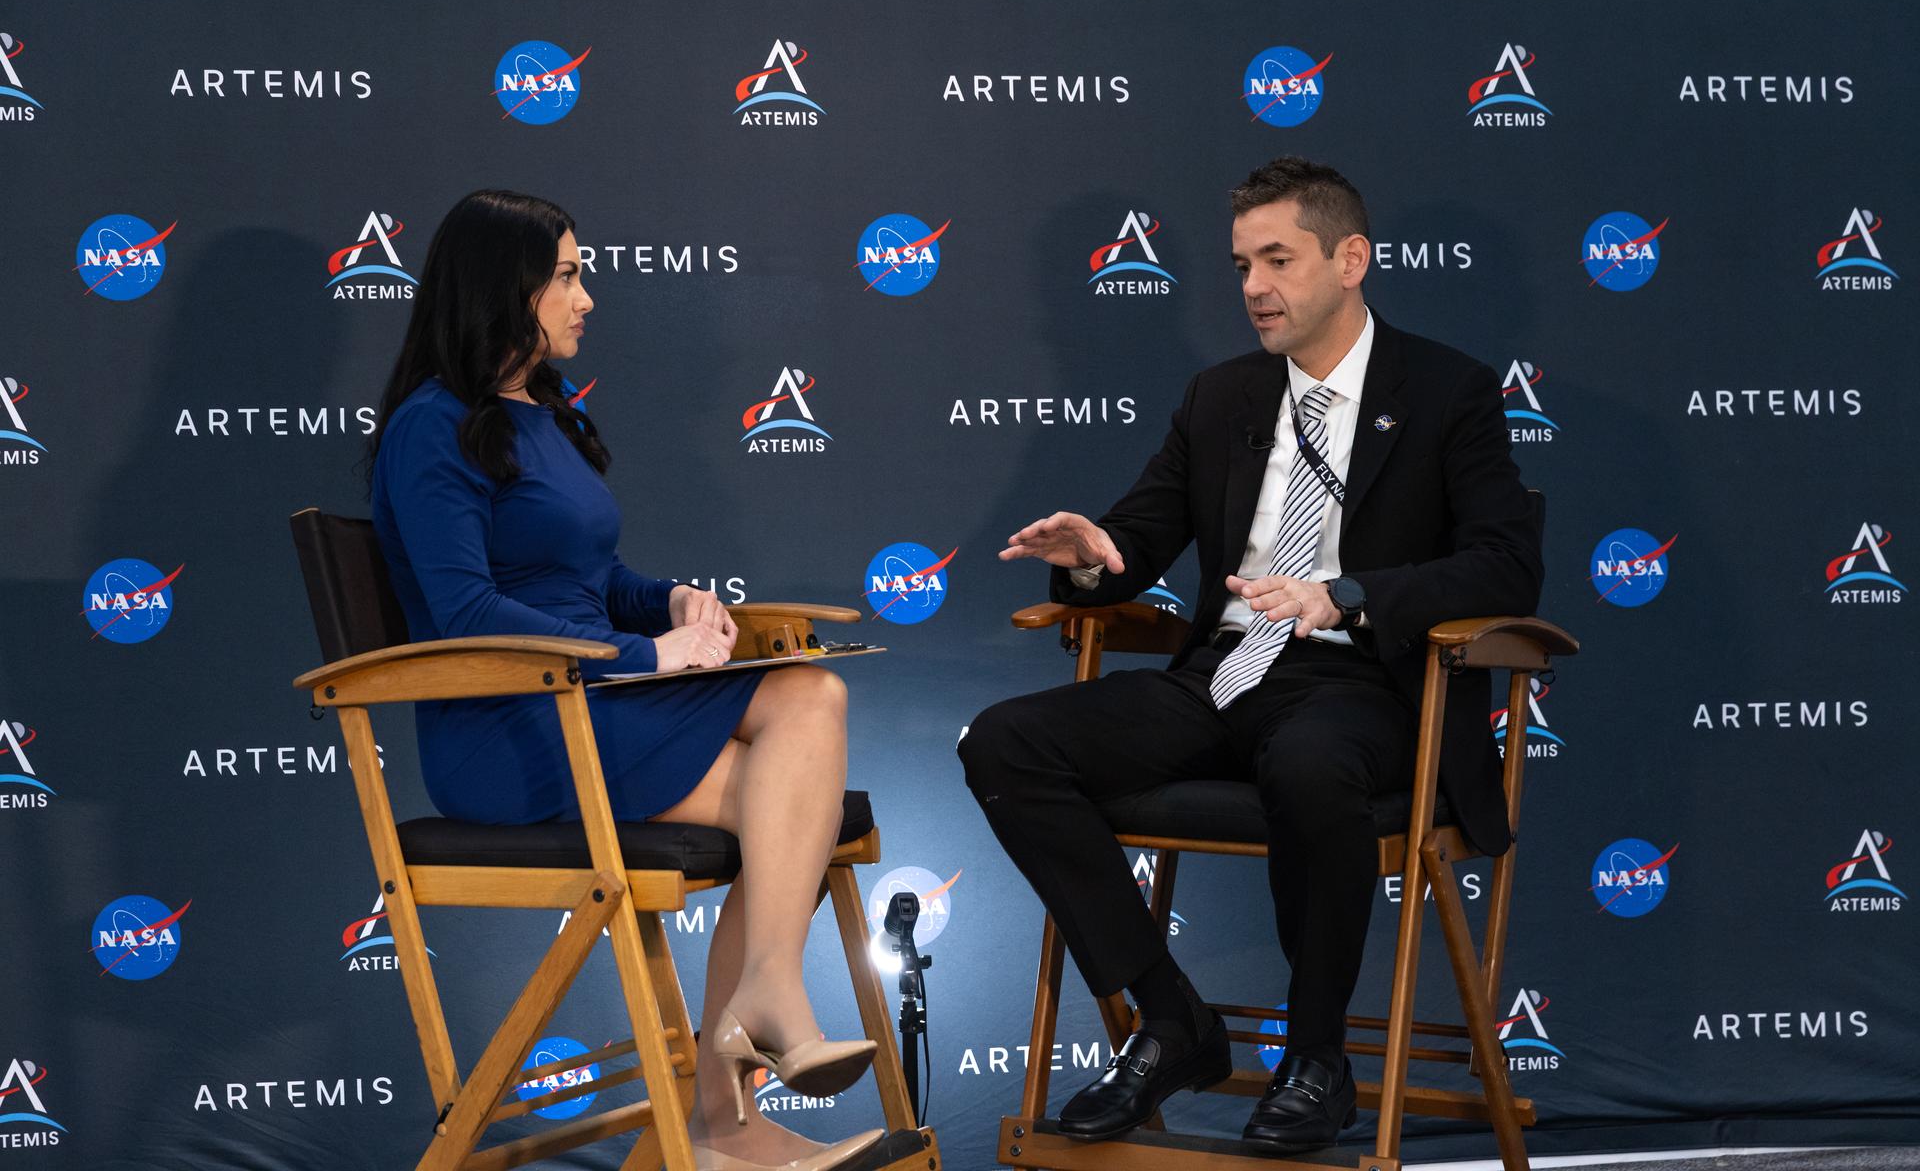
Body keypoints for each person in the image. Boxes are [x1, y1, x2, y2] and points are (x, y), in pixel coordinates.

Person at [958, 157, 1542, 1154]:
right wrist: (1093, 557)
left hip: (1360, 683)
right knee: (1004, 742)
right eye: (1241, 266)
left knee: (1310, 760)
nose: (1255, 288)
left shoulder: (1449, 391)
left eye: (1278, 260)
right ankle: (1171, 1019)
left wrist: (1348, 594)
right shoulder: (1220, 396)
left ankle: (1316, 1059)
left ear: (1350, 260)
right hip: (1221, 677)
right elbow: (1137, 537)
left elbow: (1506, 566)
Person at [367, 189, 881, 1171]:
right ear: (503, 286)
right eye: (565, 275)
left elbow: (589, 578)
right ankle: (733, 1095)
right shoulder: (432, 427)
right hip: (508, 731)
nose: (587, 296)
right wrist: (646, 655)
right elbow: (467, 610)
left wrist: (670, 600)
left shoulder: (543, 411)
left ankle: (743, 1066)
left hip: (591, 703)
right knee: (797, 794)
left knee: (807, 718)